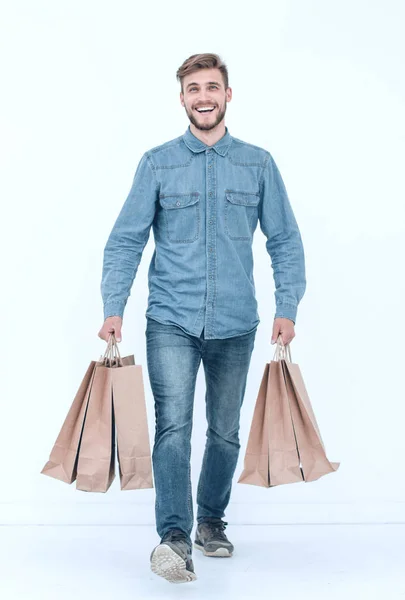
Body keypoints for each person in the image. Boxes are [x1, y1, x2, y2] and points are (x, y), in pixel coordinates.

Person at [98, 53, 306, 584]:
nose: (203, 96)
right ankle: (173, 537)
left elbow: (284, 239)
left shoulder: (257, 164)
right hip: (171, 317)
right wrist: (113, 305)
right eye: (193, 88)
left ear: (228, 95)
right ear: (183, 98)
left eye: (212, 87)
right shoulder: (158, 163)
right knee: (173, 426)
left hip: (237, 322)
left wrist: (289, 306)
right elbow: (126, 238)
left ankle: (210, 520)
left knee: (226, 432)